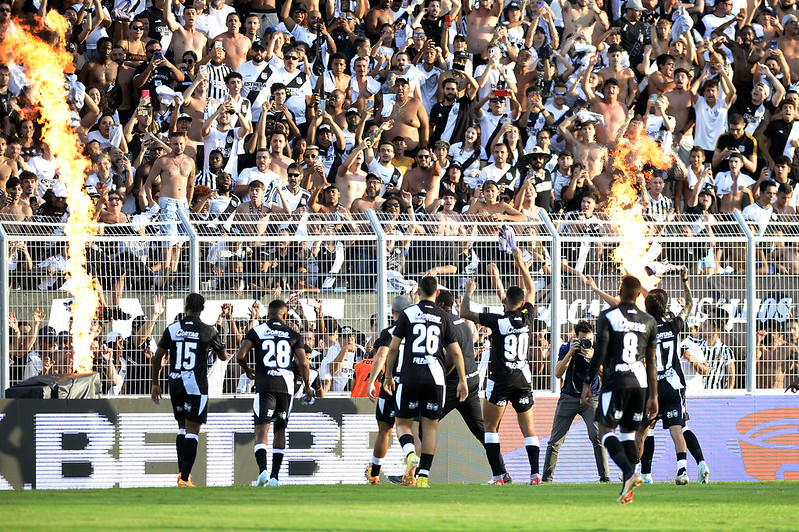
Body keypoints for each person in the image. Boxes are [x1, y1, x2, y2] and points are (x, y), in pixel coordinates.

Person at [460, 248, 542, 485]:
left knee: (490, 427)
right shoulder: (528, 316)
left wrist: (468, 292)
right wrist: (520, 263)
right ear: (523, 303)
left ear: (505, 301)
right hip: (523, 378)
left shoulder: (497, 320)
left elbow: (465, 311)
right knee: (529, 430)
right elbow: (532, 290)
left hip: (500, 379)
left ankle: (497, 476)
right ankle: (535, 475)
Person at [382, 275, 468, 488]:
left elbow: (393, 348)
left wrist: (388, 375)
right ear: (437, 293)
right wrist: (462, 381)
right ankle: (423, 477)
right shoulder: (443, 316)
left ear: (418, 292)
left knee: (402, 423)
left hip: (410, 376)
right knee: (430, 428)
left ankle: (411, 454)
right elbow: (456, 352)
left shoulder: (408, 314)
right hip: (436, 378)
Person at [581, 275, 658, 504]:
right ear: (637, 296)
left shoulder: (608, 316)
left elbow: (601, 353)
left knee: (605, 431)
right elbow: (652, 363)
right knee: (627, 434)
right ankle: (628, 489)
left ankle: (629, 472)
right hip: (641, 384)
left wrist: (588, 381)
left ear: (620, 290)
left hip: (616, 382)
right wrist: (653, 395)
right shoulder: (648, 321)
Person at [636, 270, 710, 485]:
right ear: (665, 306)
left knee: (644, 430)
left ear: (646, 307)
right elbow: (688, 305)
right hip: (674, 383)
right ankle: (682, 470)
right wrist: (684, 281)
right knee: (679, 429)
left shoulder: (644, 328)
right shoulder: (674, 324)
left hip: (652, 386)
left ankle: (639, 472)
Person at [150, 293, 227, 487]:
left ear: (186, 307)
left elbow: (158, 356)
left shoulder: (173, 328)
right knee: (193, 430)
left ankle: (183, 474)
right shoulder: (208, 331)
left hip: (175, 382)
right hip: (195, 385)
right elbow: (224, 356)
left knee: (182, 427)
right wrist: (212, 348)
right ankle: (184, 478)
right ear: (202, 308)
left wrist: (155, 383)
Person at [236, 299, 311, 487]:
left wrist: (246, 369)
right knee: (280, 429)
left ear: (268, 315)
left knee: (262, 430)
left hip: (265, 385)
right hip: (286, 387)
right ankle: (275, 477)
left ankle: (262, 471)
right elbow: (303, 363)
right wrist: (307, 385)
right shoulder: (293, 334)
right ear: (285, 316)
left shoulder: (257, 331)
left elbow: (240, 355)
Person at [542, 320, 610, 483]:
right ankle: (546, 480)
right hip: (569, 397)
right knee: (554, 441)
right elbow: (558, 374)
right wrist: (570, 354)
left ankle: (605, 477)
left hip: (591, 397)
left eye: (589, 340)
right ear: (575, 338)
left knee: (598, 437)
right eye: (583, 340)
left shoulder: (599, 349)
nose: (586, 343)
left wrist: (595, 359)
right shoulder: (566, 348)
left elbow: (607, 376)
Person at [364, 295, 412, 484]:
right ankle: (412, 469)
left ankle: (374, 474)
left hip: (391, 385)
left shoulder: (390, 332)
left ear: (392, 313)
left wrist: (372, 382)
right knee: (410, 428)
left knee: (385, 430)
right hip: (411, 385)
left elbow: (382, 354)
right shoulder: (416, 331)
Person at [142, 131, 196, 289]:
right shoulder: (162, 161)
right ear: (170, 144)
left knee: (178, 243)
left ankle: (172, 276)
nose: (178, 147)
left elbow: (191, 184)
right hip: (168, 203)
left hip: (183, 204)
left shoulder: (190, 162)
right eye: (175, 144)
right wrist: (152, 202)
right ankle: (163, 274)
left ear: (185, 143)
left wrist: (189, 202)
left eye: (181, 143)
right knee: (167, 240)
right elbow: (148, 184)